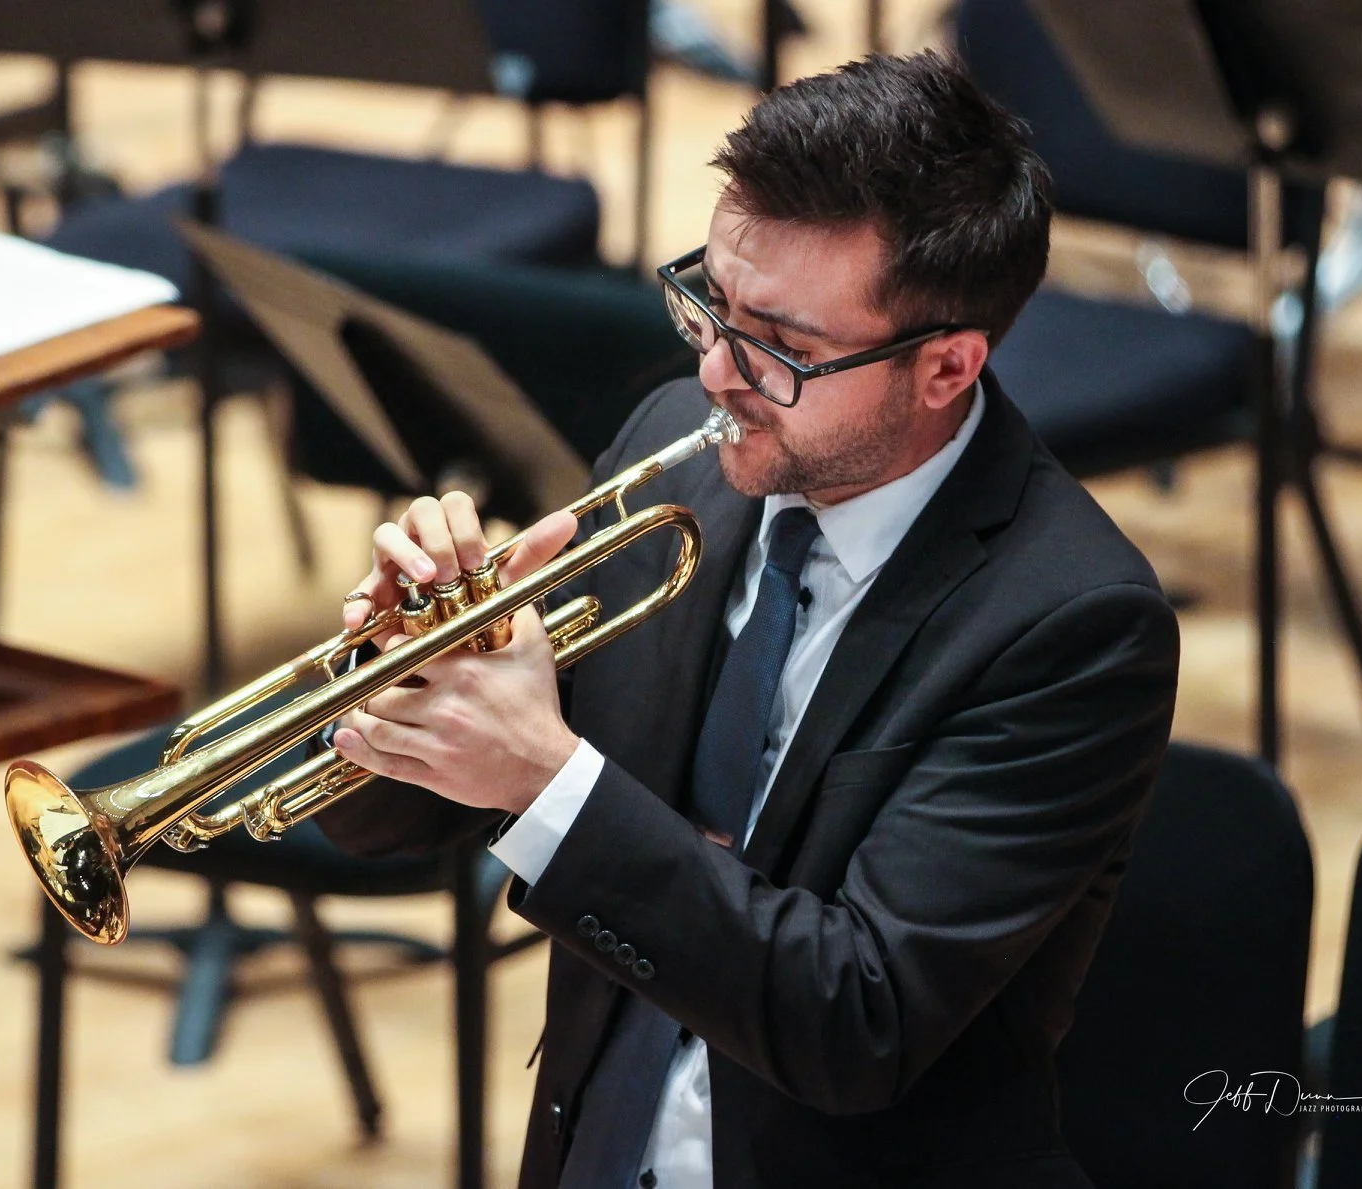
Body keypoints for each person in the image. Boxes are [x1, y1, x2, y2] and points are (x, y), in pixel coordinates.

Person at [320, 51, 1180, 1189]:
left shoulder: (1071, 625)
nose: (717, 370)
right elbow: (392, 827)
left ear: (944, 367)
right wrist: (404, 687)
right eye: (709, 302)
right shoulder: (676, 448)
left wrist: (546, 780)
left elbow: (855, 1019)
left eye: (781, 347)